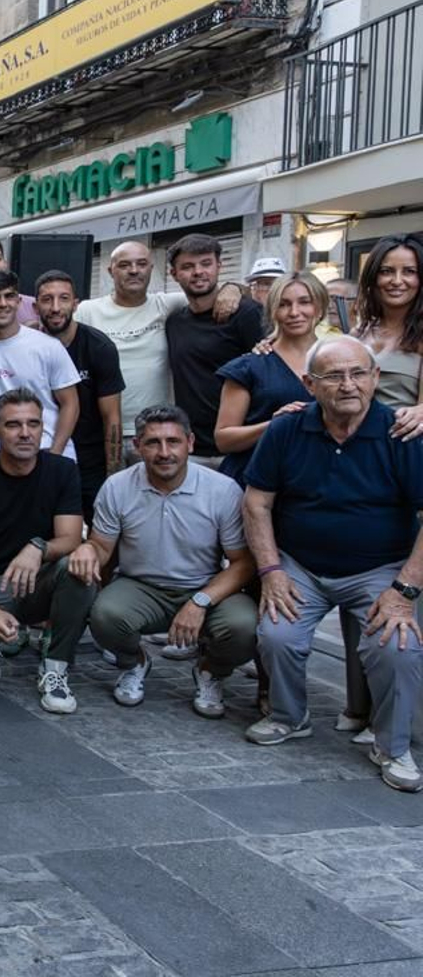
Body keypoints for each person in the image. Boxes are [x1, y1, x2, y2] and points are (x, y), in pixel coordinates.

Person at [242, 335, 423, 792]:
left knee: (397, 647)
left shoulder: (401, 432)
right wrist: (271, 571)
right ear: (309, 384)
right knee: (277, 634)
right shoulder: (286, 429)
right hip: (301, 564)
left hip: (380, 569)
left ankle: (392, 745)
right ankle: (289, 716)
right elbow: (257, 503)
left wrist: (403, 593)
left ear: (376, 378)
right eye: (334, 376)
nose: (348, 385)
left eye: (359, 373)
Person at [76, 405, 258, 716]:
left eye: (172, 442)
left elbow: (242, 562)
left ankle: (210, 670)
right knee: (104, 615)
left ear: (190, 442)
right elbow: (101, 547)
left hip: (203, 585)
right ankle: (135, 662)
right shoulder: (118, 486)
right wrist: (87, 549)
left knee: (245, 627)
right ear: (137, 446)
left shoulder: (222, 489)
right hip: (140, 585)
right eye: (152, 443)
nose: (164, 452)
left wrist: (199, 602)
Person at [0, 388, 94, 713]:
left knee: (78, 568)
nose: (25, 433)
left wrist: (37, 547)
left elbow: (70, 538)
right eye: (13, 425)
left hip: (40, 577)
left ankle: (55, 666)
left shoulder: (62, 471)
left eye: (33, 424)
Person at [74, 239, 242, 458]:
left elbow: (207, 291)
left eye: (141, 264)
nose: (134, 271)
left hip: (155, 433)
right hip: (102, 431)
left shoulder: (167, 305)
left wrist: (233, 288)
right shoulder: (88, 311)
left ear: (151, 268)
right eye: (124, 265)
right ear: (110, 270)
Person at [165, 234, 266, 467]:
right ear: (174, 274)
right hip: (191, 448)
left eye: (206, 263)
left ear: (219, 266)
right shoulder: (174, 322)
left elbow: (266, 374)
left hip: (240, 447)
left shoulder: (246, 314)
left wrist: (235, 288)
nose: (198, 272)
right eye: (188, 267)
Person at [215, 272, 325, 484]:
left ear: (319, 307)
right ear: (273, 310)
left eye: (305, 302)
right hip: (256, 477)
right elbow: (224, 439)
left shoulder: (339, 361)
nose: (294, 312)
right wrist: (273, 425)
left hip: (317, 480)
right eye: (283, 304)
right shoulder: (249, 366)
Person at [36, 270, 125, 520]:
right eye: (47, 299)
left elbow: (112, 419)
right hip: (40, 454)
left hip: (90, 459)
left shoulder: (99, 347)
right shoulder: (29, 344)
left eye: (63, 298)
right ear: (35, 306)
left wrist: (112, 475)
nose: (55, 307)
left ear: (75, 304)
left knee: (100, 526)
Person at [0, 270, 80, 457]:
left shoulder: (48, 347)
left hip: (47, 453)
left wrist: (55, 454)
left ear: (19, 302)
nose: (3, 304)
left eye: (9, 296)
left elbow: (71, 404)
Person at [352, 234, 423, 425]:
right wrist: (272, 341)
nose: (397, 281)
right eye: (386, 271)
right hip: (352, 443)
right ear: (373, 276)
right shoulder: (358, 333)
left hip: (405, 445)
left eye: (409, 271)